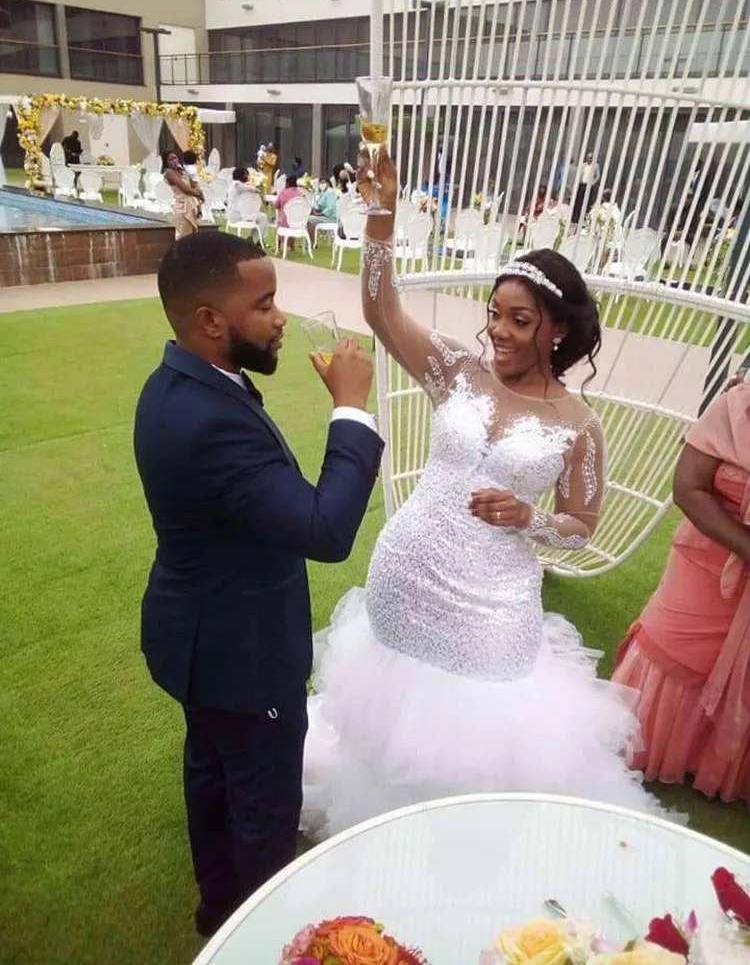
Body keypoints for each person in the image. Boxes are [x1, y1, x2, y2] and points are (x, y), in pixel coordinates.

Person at [301, 146, 667, 840]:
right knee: (393, 726)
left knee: (477, 740)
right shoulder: (459, 372)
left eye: (519, 320)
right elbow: (382, 312)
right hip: (407, 573)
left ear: (557, 330)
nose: (498, 330)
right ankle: (384, 838)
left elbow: (581, 526)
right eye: (495, 312)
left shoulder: (579, 426)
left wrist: (532, 518)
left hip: (494, 607)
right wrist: (380, 217)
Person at [133, 232, 383, 937]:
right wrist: (352, 407)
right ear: (210, 321)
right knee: (263, 805)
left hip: (197, 639)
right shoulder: (208, 421)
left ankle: (218, 907)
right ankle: (267, 935)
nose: (280, 318)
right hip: (240, 657)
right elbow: (325, 529)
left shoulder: (179, 380)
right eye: (265, 303)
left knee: (210, 773)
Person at [613, 383, 750, 805]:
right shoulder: (737, 406)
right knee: (674, 646)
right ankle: (659, 745)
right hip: (708, 555)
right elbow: (688, 488)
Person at [162, 151, 203, 240]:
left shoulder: (181, 170)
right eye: (170, 159)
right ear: (166, 162)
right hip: (182, 206)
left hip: (190, 204)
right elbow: (185, 189)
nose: (174, 161)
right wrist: (198, 194)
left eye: (175, 158)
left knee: (192, 235)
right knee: (183, 235)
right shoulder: (169, 173)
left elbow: (193, 184)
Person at [226, 166, 269, 239]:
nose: (247, 177)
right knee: (263, 218)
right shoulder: (237, 184)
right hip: (238, 215)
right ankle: (258, 240)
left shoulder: (234, 184)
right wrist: (255, 189)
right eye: (246, 175)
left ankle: (251, 238)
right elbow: (241, 188)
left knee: (258, 217)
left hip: (236, 213)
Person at [572, 152, 600, 224]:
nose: (589, 159)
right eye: (588, 157)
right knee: (578, 202)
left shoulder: (596, 166)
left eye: (591, 158)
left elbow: (597, 176)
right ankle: (575, 218)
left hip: (589, 186)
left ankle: (584, 219)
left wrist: (593, 183)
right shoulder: (583, 165)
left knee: (587, 202)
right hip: (582, 185)